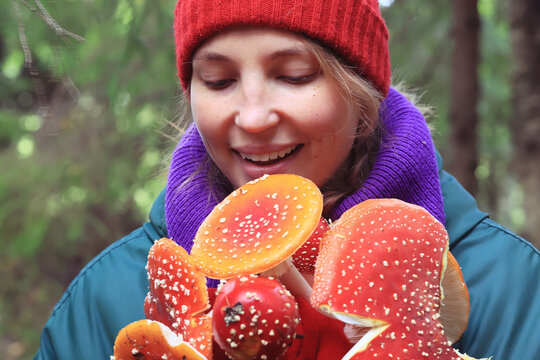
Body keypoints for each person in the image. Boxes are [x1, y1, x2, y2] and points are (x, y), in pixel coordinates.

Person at [34, 0, 540, 359]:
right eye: (218, 80)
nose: (252, 118)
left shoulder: (511, 286)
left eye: (295, 75)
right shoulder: (111, 296)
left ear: (361, 90)